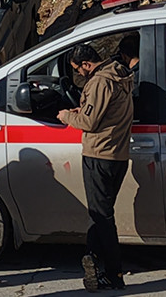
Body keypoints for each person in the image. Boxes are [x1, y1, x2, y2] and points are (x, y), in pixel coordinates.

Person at [57, 44, 134, 291]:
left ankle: (114, 273)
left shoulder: (100, 82)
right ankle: (91, 256)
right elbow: (107, 111)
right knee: (100, 211)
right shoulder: (119, 74)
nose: (80, 75)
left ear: (86, 64)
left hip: (98, 154)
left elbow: (89, 122)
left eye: (78, 70)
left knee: (102, 216)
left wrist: (67, 116)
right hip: (118, 155)